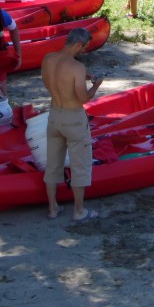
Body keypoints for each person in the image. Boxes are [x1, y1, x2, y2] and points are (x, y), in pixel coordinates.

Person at [42, 27, 103, 222]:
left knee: (52, 164)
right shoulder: (77, 67)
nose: (83, 51)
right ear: (78, 44)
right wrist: (96, 85)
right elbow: (82, 98)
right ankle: (79, 211)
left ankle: (52, 208)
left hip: (54, 115)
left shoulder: (48, 59)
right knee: (80, 164)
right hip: (73, 118)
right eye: (83, 47)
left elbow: (51, 83)